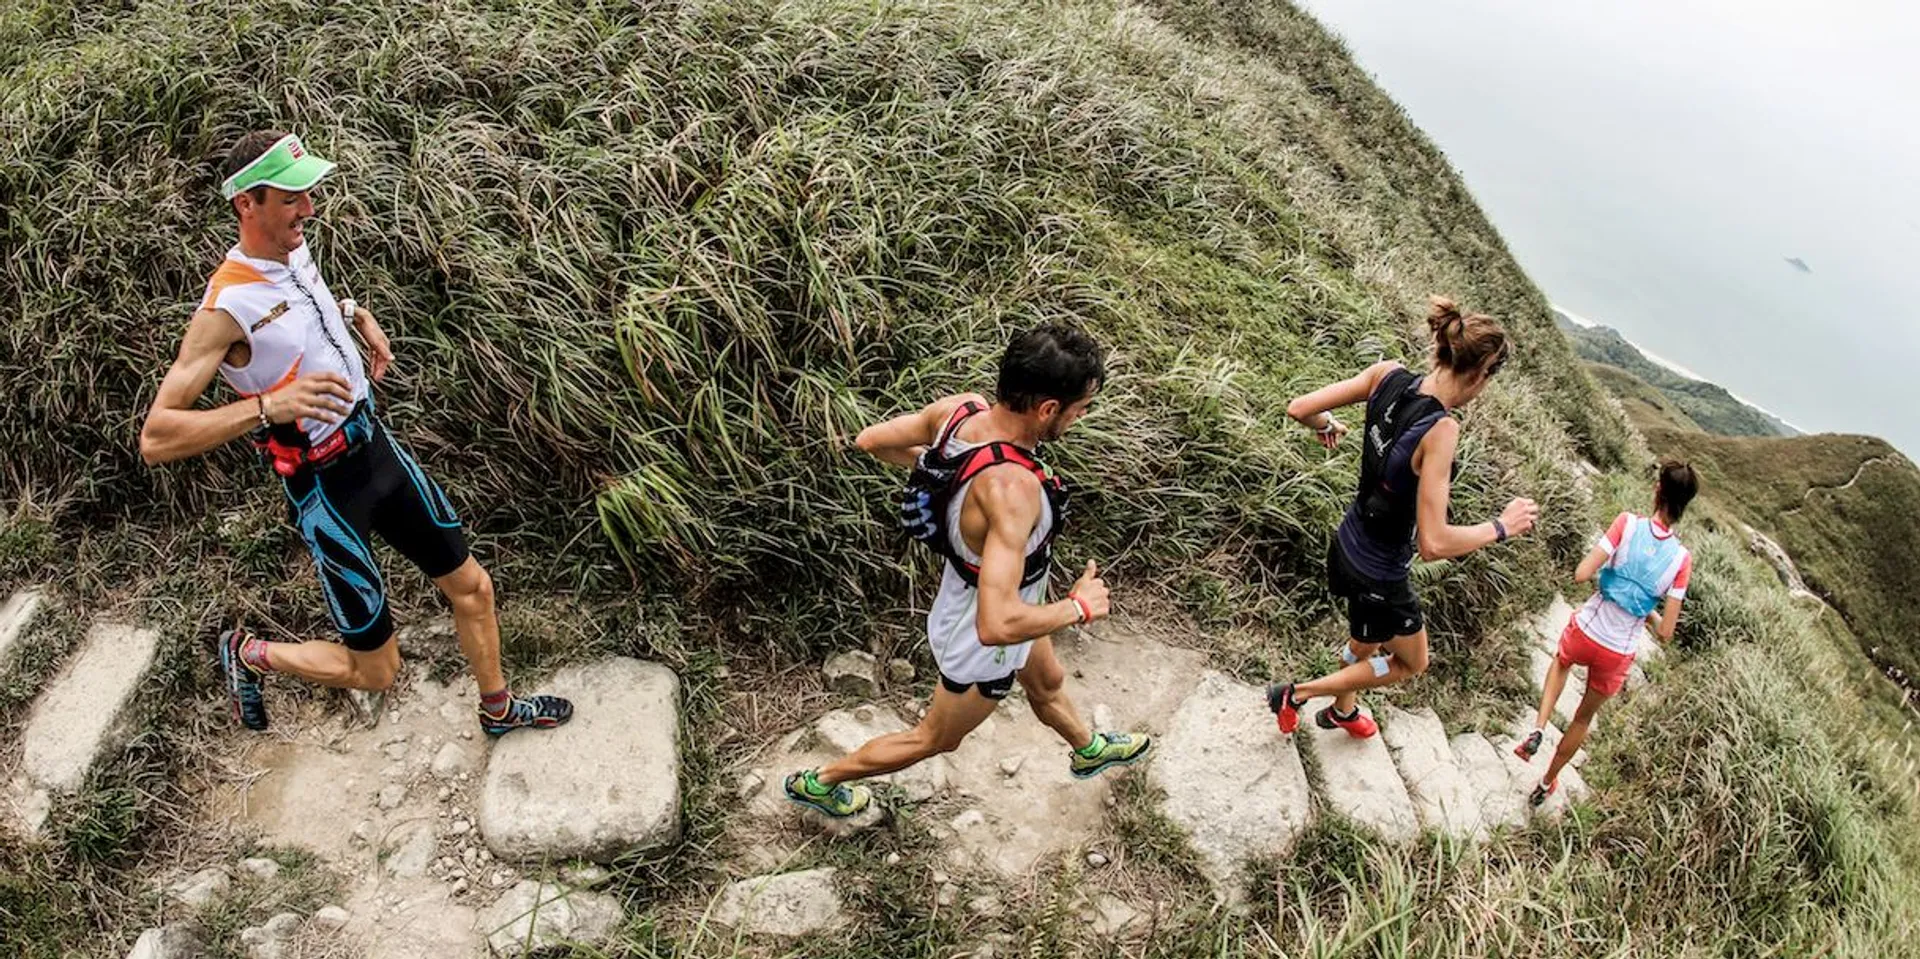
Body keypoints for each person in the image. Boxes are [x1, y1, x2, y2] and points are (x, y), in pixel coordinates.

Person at [138, 130, 571, 736]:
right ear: (248, 205)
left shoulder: (296, 253)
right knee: (378, 671)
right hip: (326, 489)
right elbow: (157, 436)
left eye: (308, 194)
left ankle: (497, 709)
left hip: (376, 448)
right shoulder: (225, 308)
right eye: (290, 198)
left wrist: (350, 316)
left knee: (472, 587)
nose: (308, 210)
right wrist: (268, 405)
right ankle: (248, 654)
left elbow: (299, 316)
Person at [784, 325, 1152, 817]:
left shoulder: (958, 411)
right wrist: (1079, 607)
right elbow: (996, 625)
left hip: (993, 592)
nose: (1080, 417)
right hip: (984, 634)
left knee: (1046, 681)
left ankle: (1087, 749)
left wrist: (949, 480)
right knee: (934, 738)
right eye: (1079, 409)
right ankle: (819, 782)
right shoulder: (1012, 491)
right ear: (1047, 409)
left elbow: (871, 440)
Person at [1268, 296, 1539, 737]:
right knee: (1411, 661)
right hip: (1380, 571)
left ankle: (1343, 709)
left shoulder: (1386, 375)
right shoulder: (1441, 430)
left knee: (1366, 639)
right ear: (1481, 373)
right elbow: (1433, 544)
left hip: (1347, 541)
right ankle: (1297, 693)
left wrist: (1325, 426)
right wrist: (1502, 527)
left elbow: (1301, 408)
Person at [1517, 460, 1698, 805]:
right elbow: (1667, 632)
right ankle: (1545, 783)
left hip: (1588, 628)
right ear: (1684, 506)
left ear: (1657, 491)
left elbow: (1581, 574)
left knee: (1561, 662)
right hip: (1618, 651)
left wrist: (1614, 581)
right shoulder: (1681, 559)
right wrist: (1645, 608)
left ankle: (1538, 727)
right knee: (1583, 718)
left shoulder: (1626, 524)